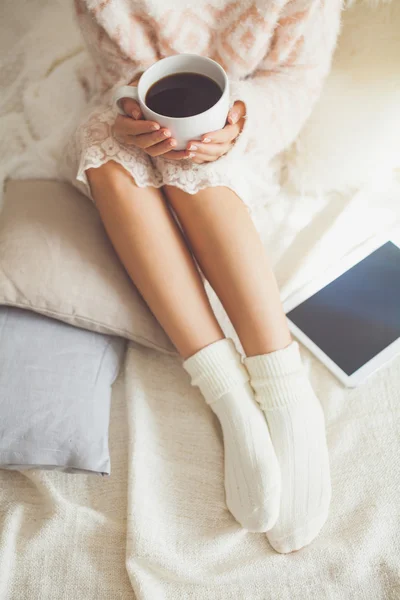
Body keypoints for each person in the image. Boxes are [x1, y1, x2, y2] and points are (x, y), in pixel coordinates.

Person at [65, 0, 342, 553]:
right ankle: (229, 396)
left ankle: (284, 388)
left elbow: (297, 79)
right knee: (104, 144)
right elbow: (113, 71)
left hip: (248, 126)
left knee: (194, 155)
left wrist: (240, 119)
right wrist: (129, 106)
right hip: (142, 115)